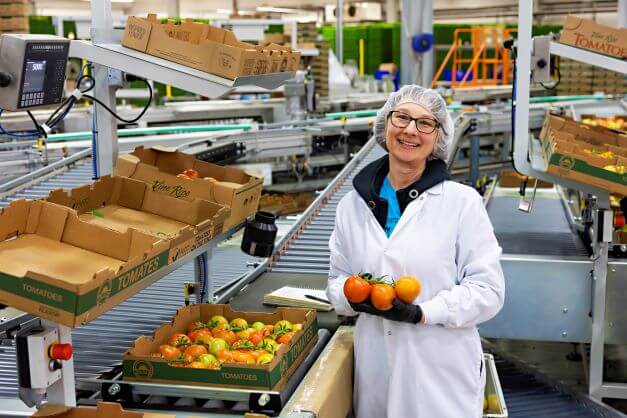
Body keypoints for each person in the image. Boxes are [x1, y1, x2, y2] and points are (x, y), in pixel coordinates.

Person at [326, 85, 505, 418]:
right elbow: (337, 279)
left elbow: (489, 291)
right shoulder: (351, 206)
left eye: (425, 123)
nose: (410, 130)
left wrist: (424, 313)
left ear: (437, 137)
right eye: (402, 117)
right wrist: (351, 297)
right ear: (384, 125)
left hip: (441, 374)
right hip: (376, 370)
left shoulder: (461, 203)